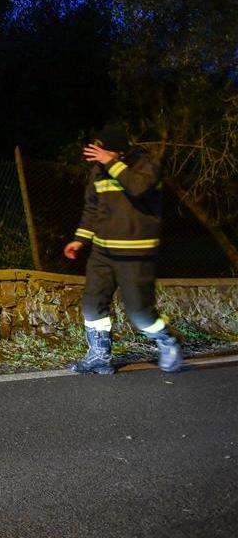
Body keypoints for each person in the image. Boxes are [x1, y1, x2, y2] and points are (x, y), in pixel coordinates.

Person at [63, 124, 181, 375]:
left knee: (139, 312)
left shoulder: (147, 165)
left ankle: (167, 340)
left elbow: (137, 187)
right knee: (92, 303)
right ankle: (99, 356)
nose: (97, 155)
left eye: (102, 151)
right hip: (102, 253)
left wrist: (111, 163)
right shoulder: (98, 172)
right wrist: (80, 239)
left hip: (135, 254)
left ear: (117, 151)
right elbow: (92, 210)